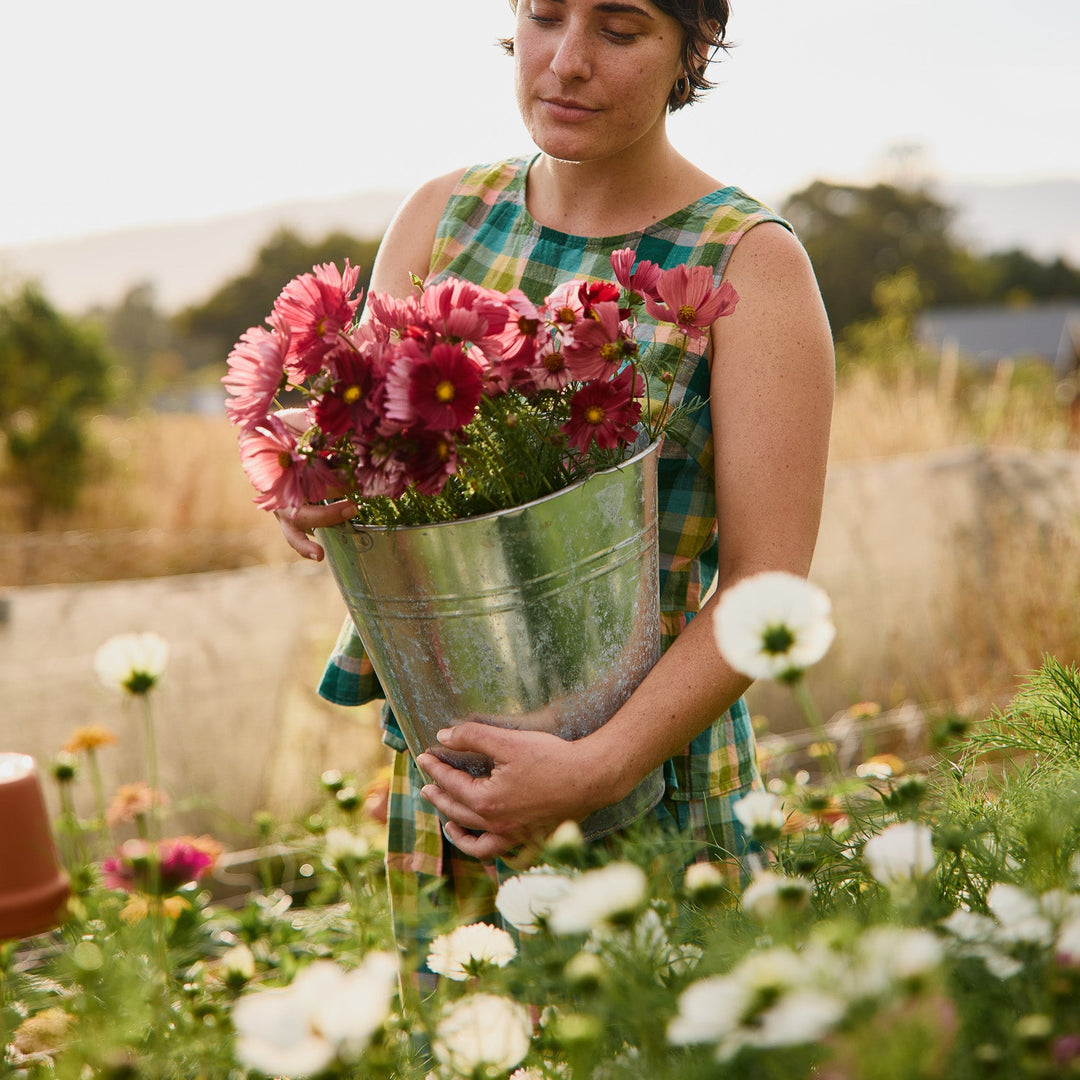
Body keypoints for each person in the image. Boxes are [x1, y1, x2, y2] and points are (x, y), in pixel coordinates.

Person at [276, 0, 834, 985]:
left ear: (691, 49)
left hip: (651, 791)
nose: (566, 61)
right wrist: (316, 486)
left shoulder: (747, 262)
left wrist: (600, 768)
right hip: (454, 790)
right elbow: (366, 472)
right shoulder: (444, 214)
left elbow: (767, 587)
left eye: (619, 30)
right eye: (544, 16)